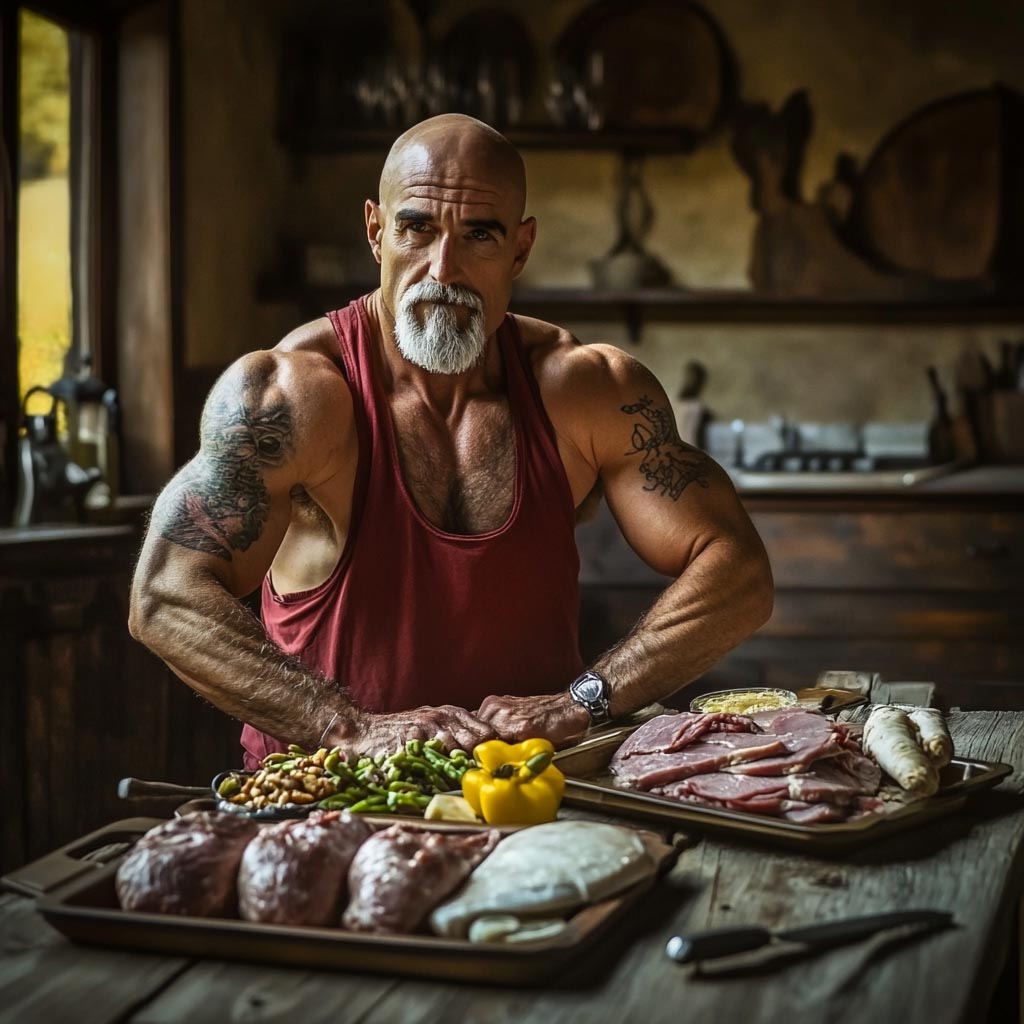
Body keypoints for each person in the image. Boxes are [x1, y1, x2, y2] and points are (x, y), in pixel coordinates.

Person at [129, 114, 773, 767]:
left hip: (529, 793)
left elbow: (738, 568)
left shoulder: (582, 388)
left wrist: (586, 700)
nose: (444, 268)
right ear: (377, 231)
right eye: (417, 228)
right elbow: (165, 596)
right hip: (324, 797)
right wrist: (351, 728)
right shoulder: (295, 395)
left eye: (480, 236)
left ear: (520, 249)